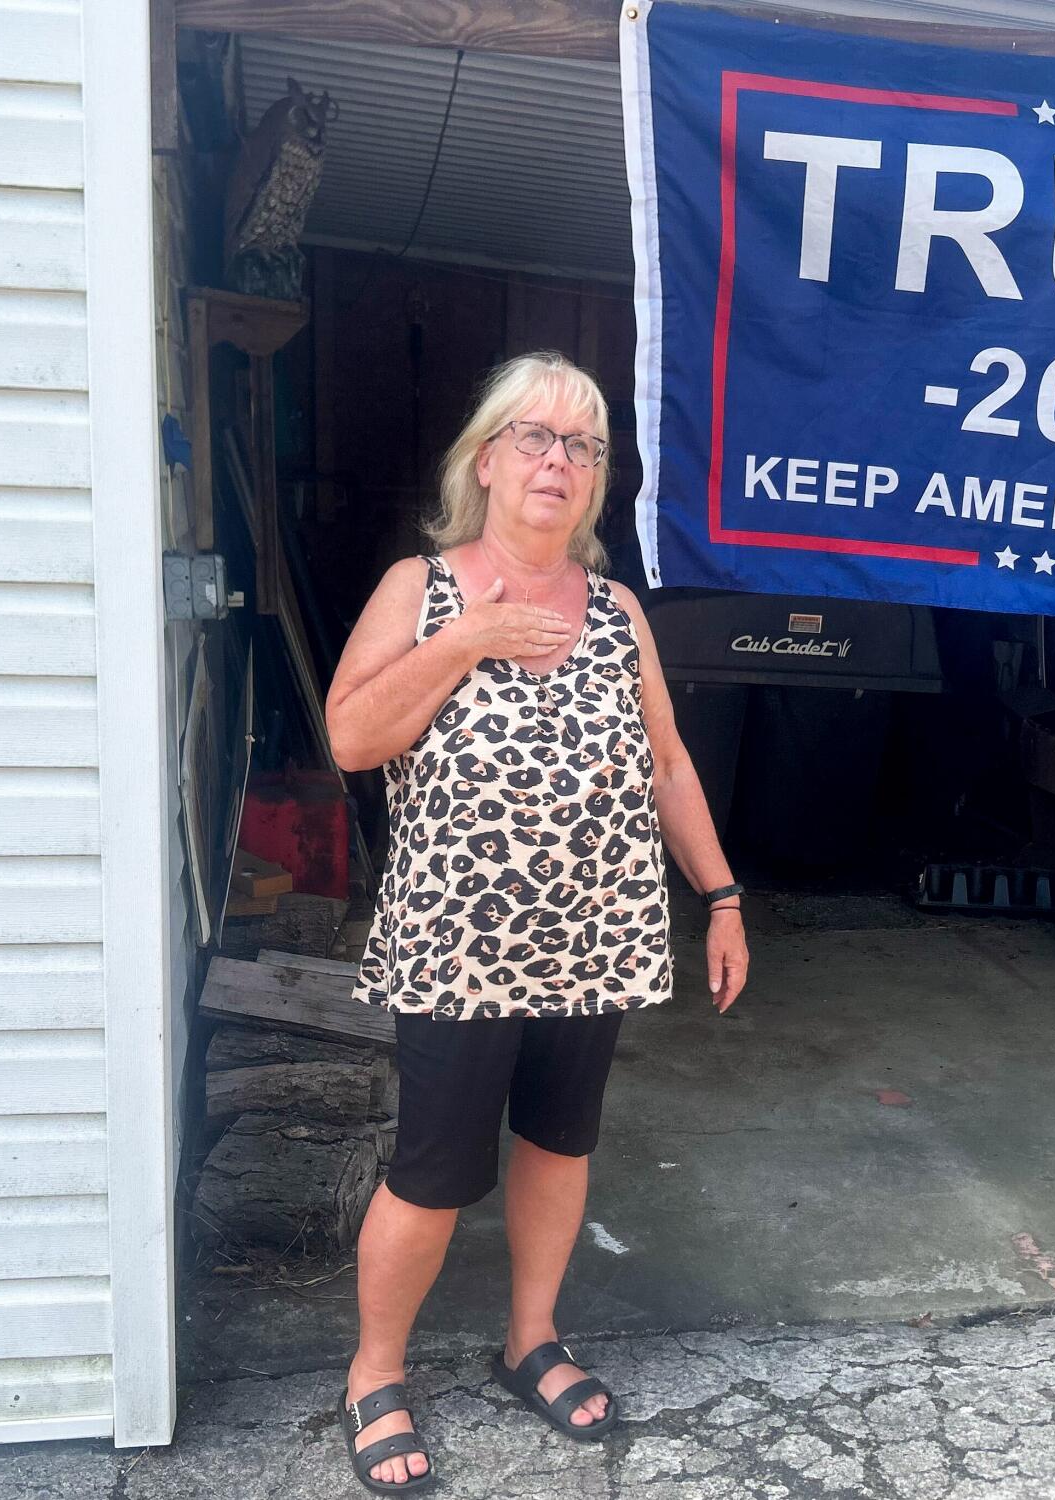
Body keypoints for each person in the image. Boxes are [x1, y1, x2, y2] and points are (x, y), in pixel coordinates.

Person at [324, 351, 750, 1492]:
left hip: (596, 935)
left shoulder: (616, 612)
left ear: (598, 480)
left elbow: (665, 762)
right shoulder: (423, 589)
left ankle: (530, 1337)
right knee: (431, 1169)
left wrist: (719, 896)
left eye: (583, 445)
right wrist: (465, 640)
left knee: (559, 1147)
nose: (557, 460)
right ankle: (375, 1373)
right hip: (461, 942)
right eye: (534, 436)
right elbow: (352, 738)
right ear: (485, 456)